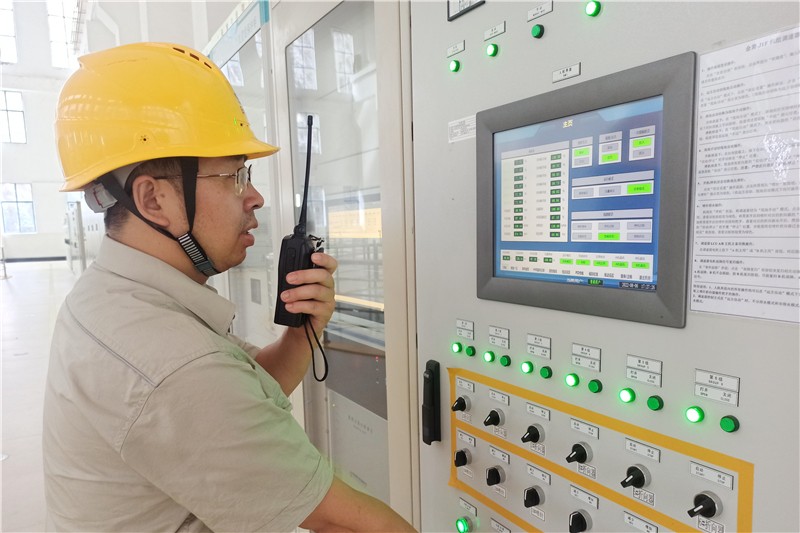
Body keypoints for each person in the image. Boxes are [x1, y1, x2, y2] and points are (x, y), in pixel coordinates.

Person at [43, 41, 415, 533]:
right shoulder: (172, 363)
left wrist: (302, 332)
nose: (255, 197)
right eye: (234, 175)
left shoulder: (113, 296)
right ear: (153, 200)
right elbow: (350, 523)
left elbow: (242, 395)